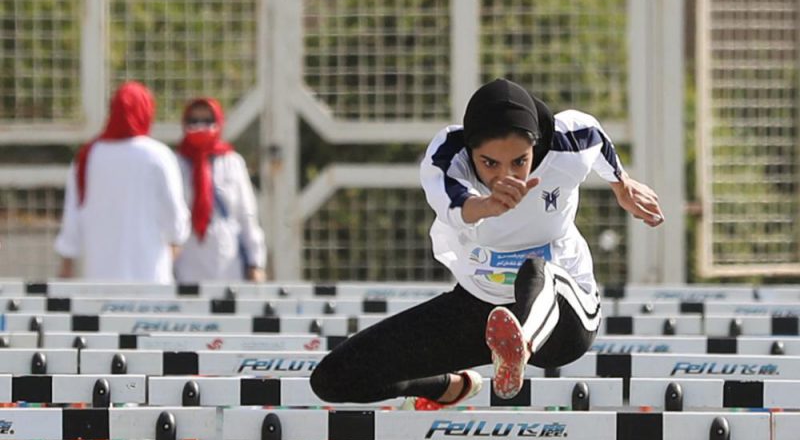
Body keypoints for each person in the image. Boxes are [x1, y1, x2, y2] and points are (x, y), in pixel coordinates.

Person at [310, 78, 664, 409]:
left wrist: (622, 185)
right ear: (471, 152)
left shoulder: (568, 141)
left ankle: (520, 345)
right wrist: (486, 205)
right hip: (483, 309)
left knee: (535, 270)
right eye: (490, 163)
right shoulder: (449, 155)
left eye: (520, 161)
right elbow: (451, 202)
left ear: (536, 145)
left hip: (564, 322)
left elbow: (596, 138)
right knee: (333, 378)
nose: (506, 176)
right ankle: (450, 386)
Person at [55, 81, 189, 283]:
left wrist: (67, 263)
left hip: (99, 277)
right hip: (150, 276)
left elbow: (72, 215)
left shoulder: (88, 155)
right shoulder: (158, 155)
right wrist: (176, 239)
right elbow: (174, 213)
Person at [173, 98, 266, 282]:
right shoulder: (175, 162)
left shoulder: (232, 162)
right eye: (194, 121)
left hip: (226, 257)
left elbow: (246, 214)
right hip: (187, 257)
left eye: (207, 121)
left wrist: (256, 262)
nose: (200, 127)